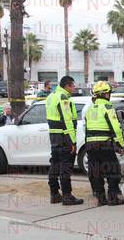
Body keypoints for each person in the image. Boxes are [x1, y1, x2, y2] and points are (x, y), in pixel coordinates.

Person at [85, 81, 124, 206]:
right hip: (104, 144)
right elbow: (116, 128)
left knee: (95, 172)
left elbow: (86, 127)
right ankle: (113, 198)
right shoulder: (108, 107)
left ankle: (101, 198)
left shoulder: (90, 109)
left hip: (90, 145)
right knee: (113, 170)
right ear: (106, 94)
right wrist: (120, 144)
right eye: (109, 93)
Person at [46, 76, 84, 206]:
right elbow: (67, 120)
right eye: (72, 86)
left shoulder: (51, 96)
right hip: (64, 136)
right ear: (67, 86)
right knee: (65, 166)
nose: (74, 88)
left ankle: (54, 194)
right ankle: (67, 196)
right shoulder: (63, 98)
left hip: (54, 136)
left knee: (55, 164)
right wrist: (73, 142)